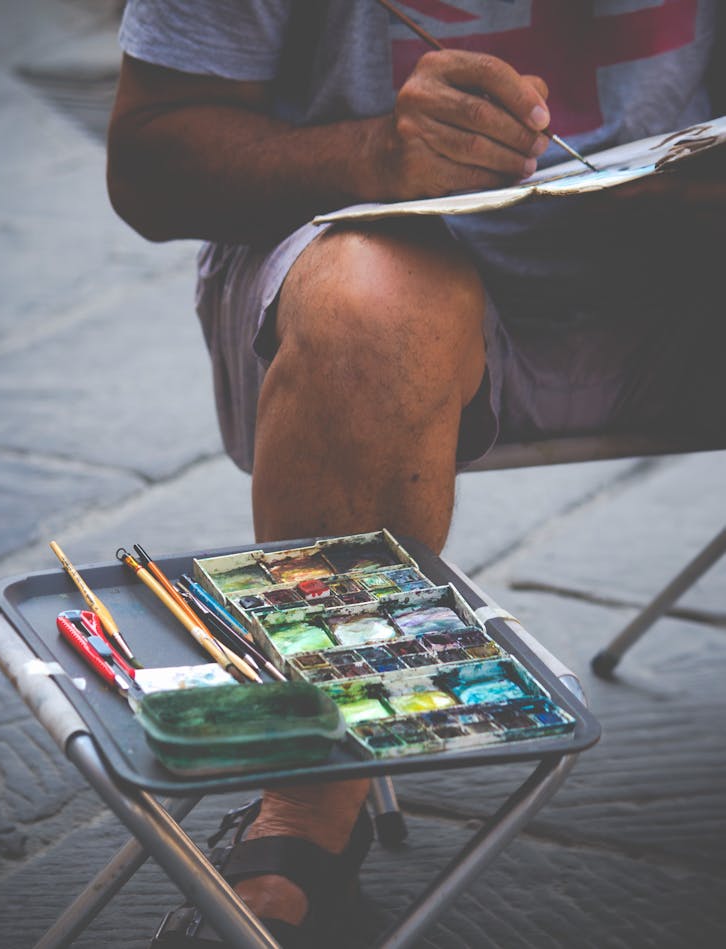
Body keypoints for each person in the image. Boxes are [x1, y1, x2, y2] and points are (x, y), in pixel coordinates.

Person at [107, 1, 726, 944]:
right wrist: (368, 156)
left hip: (676, 277)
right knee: (373, 305)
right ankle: (310, 800)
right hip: (367, 267)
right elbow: (149, 160)